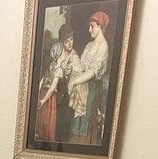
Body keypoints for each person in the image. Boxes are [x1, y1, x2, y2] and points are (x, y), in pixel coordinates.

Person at [67, 11, 110, 145]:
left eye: (92, 26)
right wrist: (72, 69)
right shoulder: (89, 45)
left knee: (85, 122)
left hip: (92, 89)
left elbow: (92, 72)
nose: (89, 29)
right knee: (76, 122)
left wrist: (74, 81)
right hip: (82, 89)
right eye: (89, 26)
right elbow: (82, 67)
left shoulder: (103, 46)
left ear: (100, 26)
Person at [36, 26, 82, 142]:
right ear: (61, 44)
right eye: (66, 41)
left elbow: (75, 77)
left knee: (61, 123)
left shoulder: (74, 57)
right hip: (55, 92)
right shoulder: (58, 56)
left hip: (65, 93)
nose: (70, 43)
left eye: (71, 39)